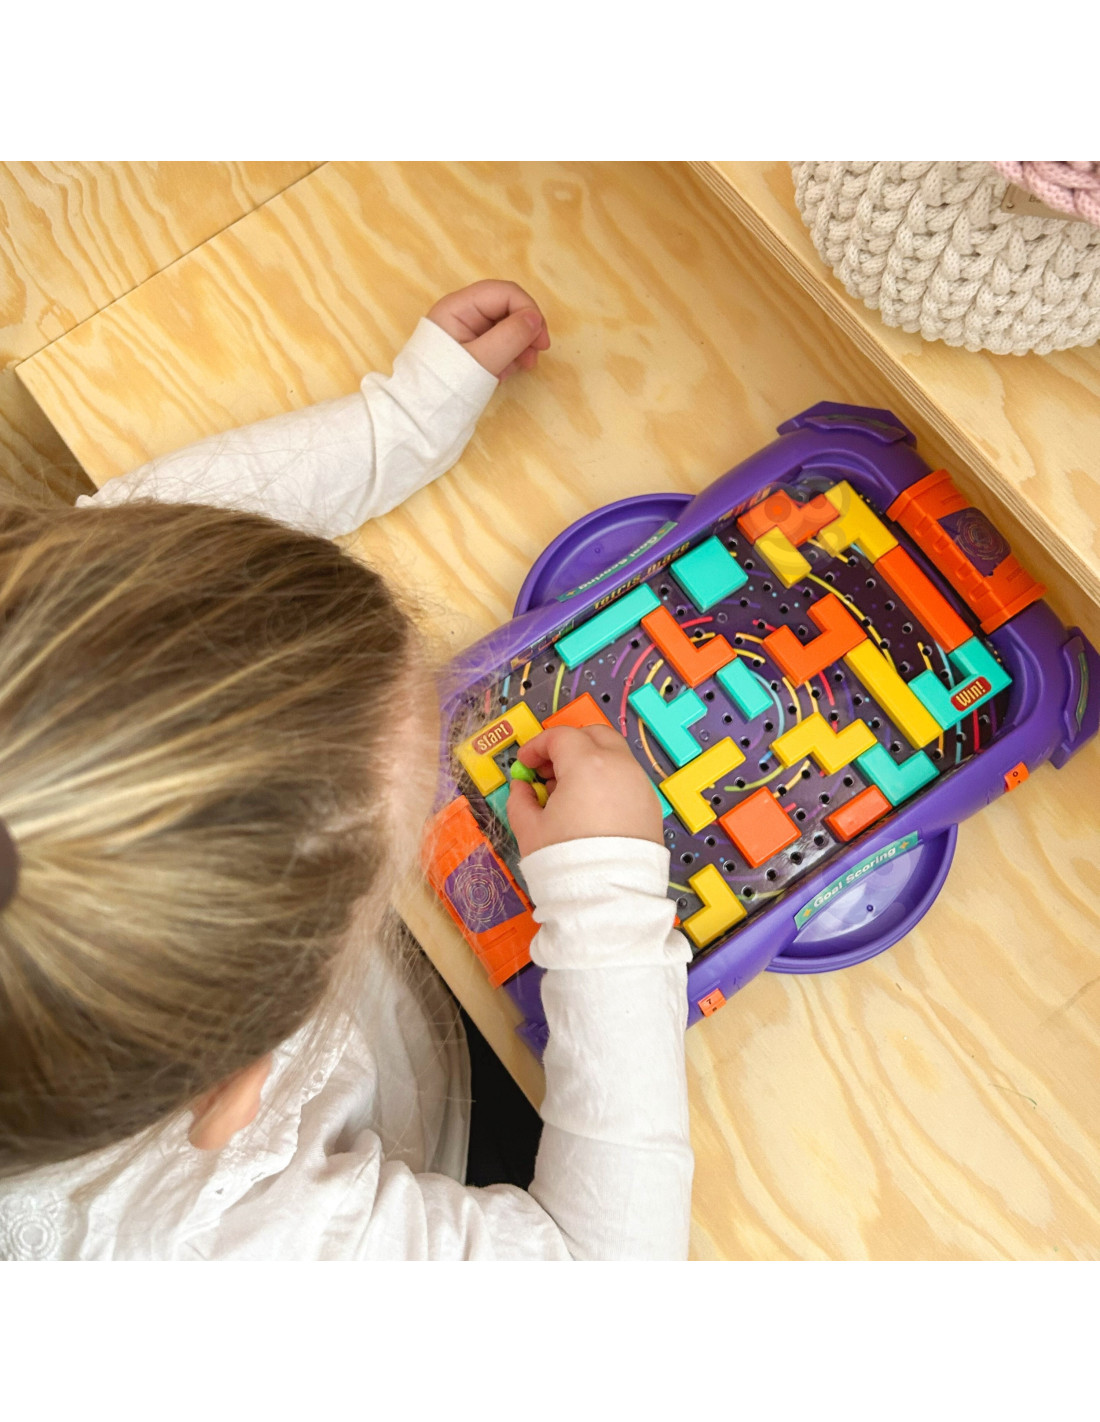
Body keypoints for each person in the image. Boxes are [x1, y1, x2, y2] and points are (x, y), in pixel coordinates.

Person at [0, 280, 693, 1260]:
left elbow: (148, 552)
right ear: (237, 1091)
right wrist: (606, 897)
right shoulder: (241, 1249)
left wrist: (399, 420)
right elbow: (607, 1269)